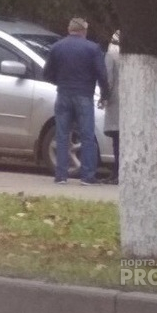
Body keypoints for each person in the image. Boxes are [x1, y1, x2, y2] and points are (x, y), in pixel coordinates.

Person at [43, 17, 109, 186]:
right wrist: (105, 95)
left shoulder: (57, 47)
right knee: (87, 136)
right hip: (84, 95)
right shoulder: (93, 49)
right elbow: (101, 75)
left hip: (63, 94)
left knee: (62, 134)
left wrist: (60, 82)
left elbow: (47, 74)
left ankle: (61, 175)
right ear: (84, 31)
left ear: (69, 29)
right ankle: (87, 176)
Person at [103, 30, 121, 184]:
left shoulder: (111, 55)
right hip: (129, 103)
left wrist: (104, 97)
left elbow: (107, 79)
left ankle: (116, 173)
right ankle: (120, 171)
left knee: (117, 139)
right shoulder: (132, 57)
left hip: (116, 101)